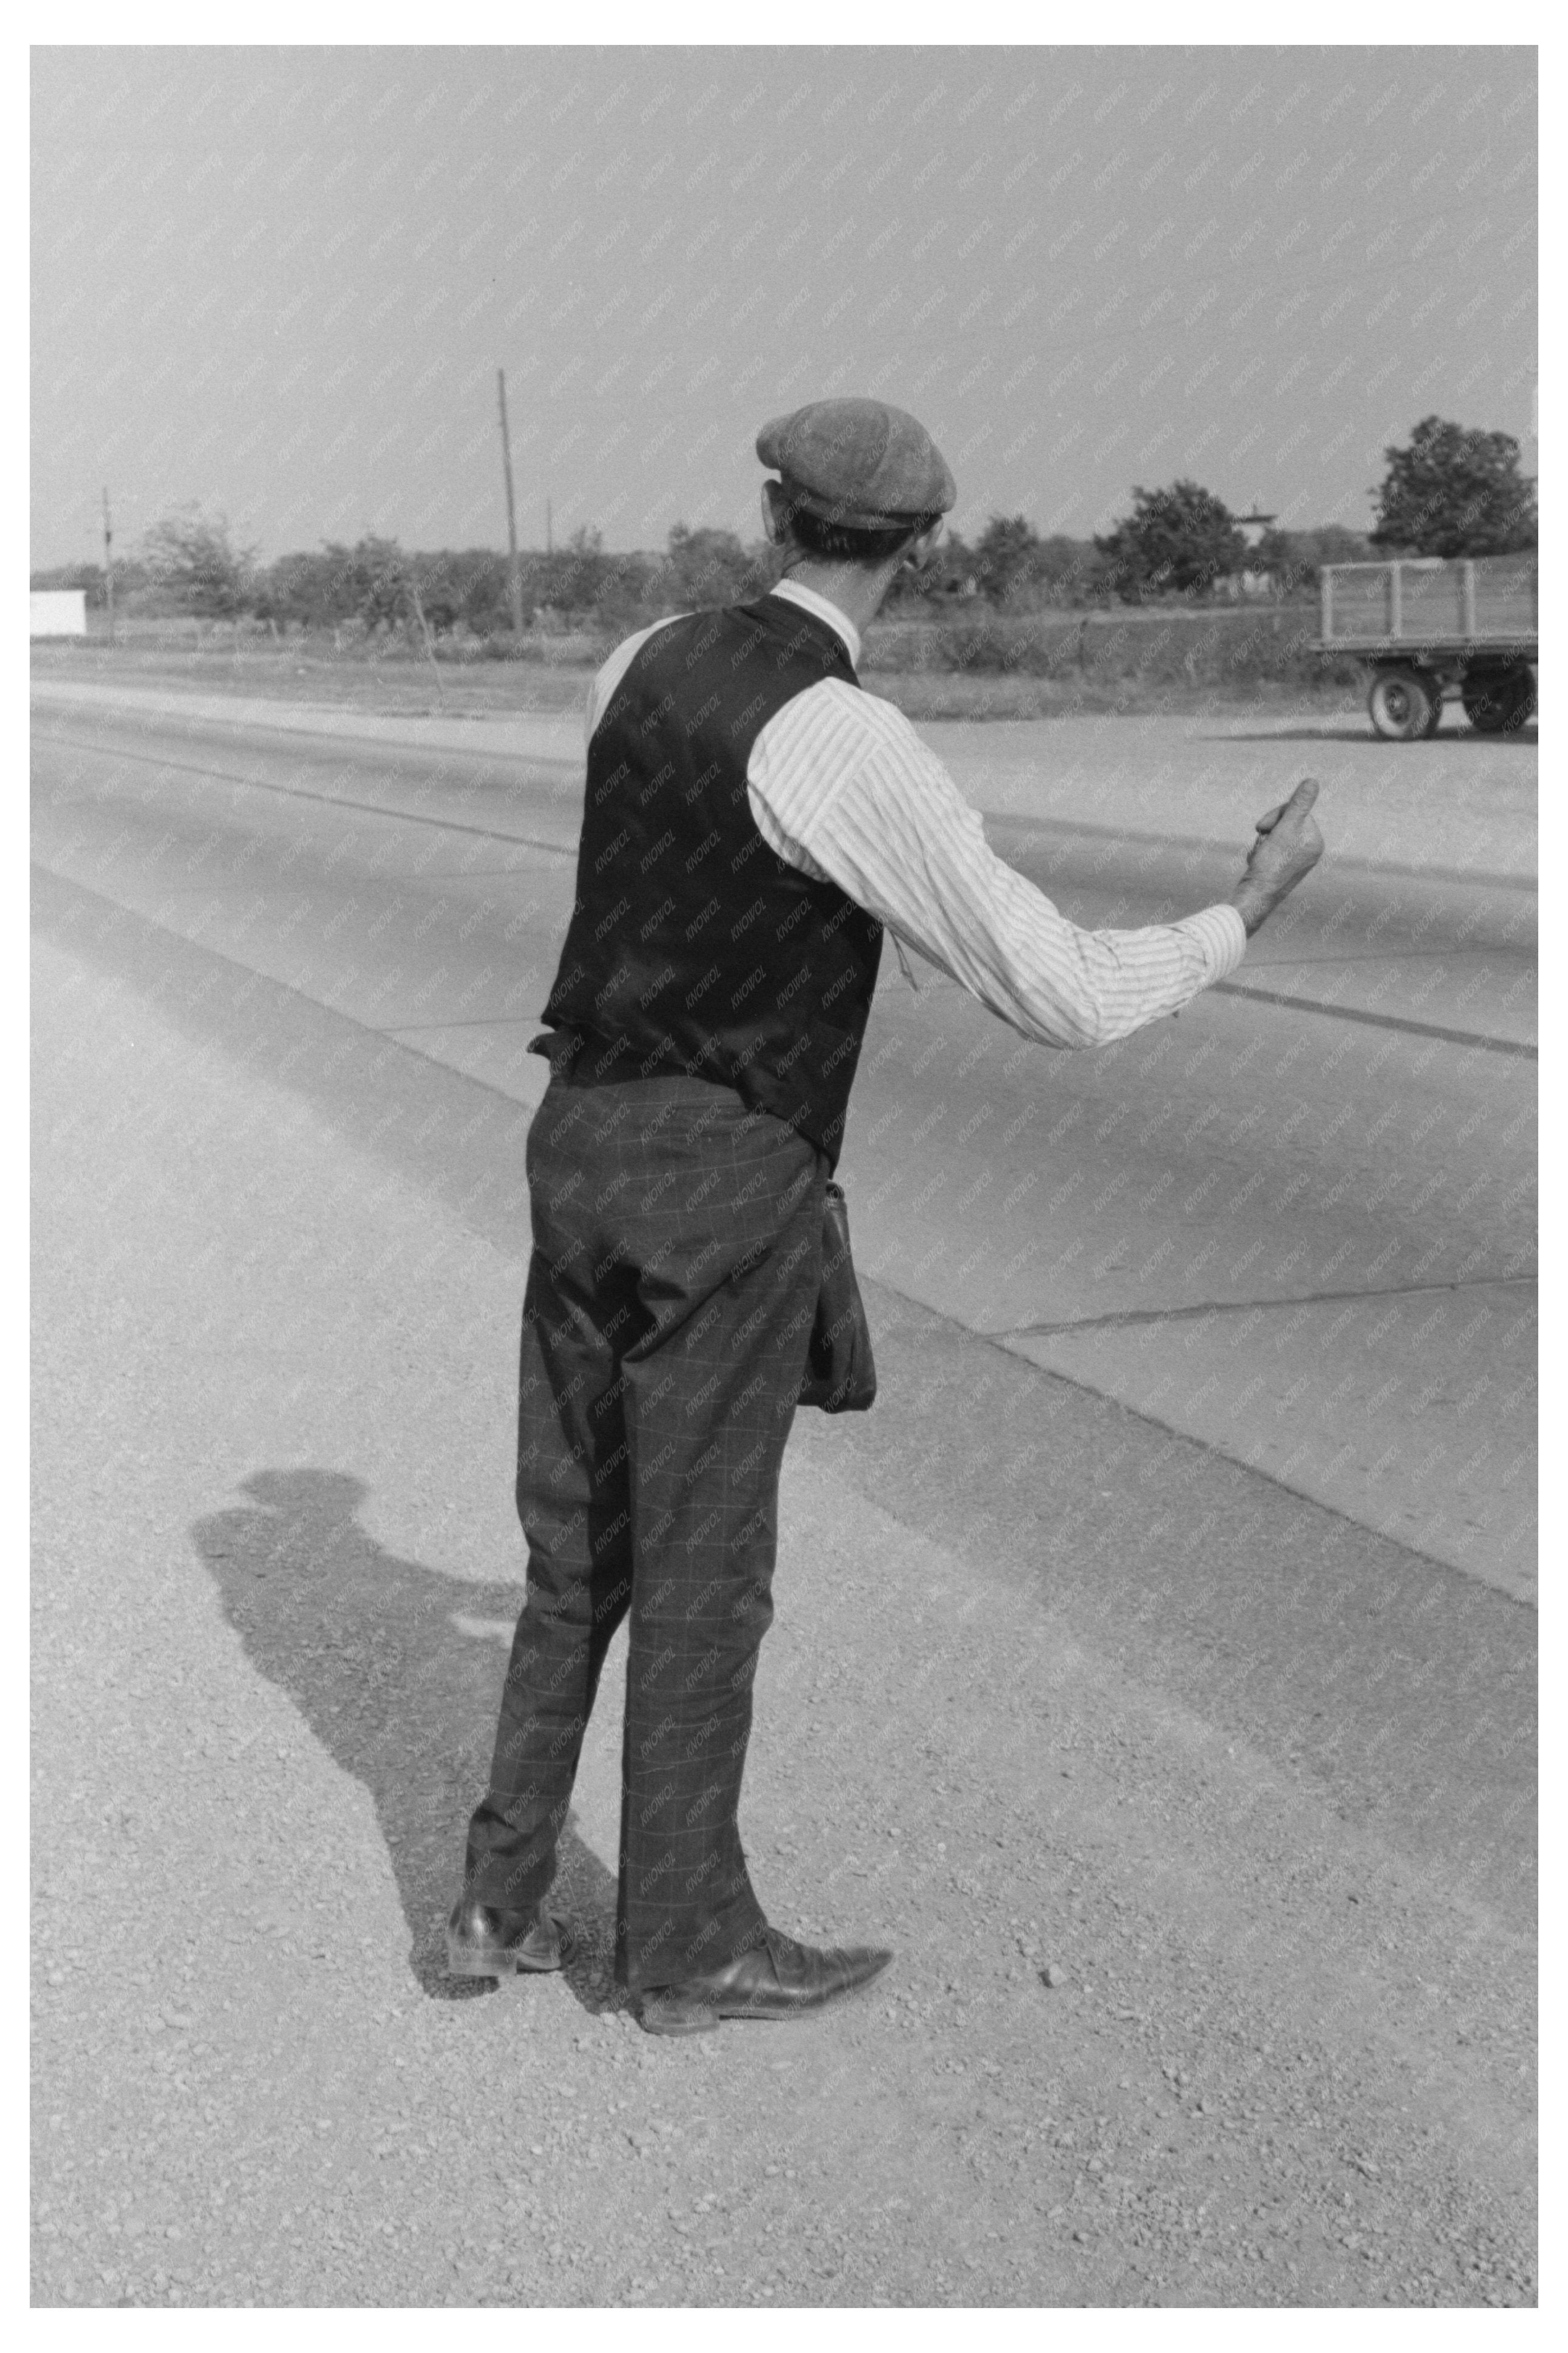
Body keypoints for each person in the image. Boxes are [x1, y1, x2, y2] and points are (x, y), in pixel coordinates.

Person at [449, 398, 1323, 2036]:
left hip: (575, 1138)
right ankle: (687, 1943)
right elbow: (1059, 986)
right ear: (918, 547)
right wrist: (1241, 913)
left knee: (575, 1550)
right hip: (723, 1175)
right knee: (709, 1569)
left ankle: (495, 1898)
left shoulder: (632, 661)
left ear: (770, 508)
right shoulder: (850, 743)